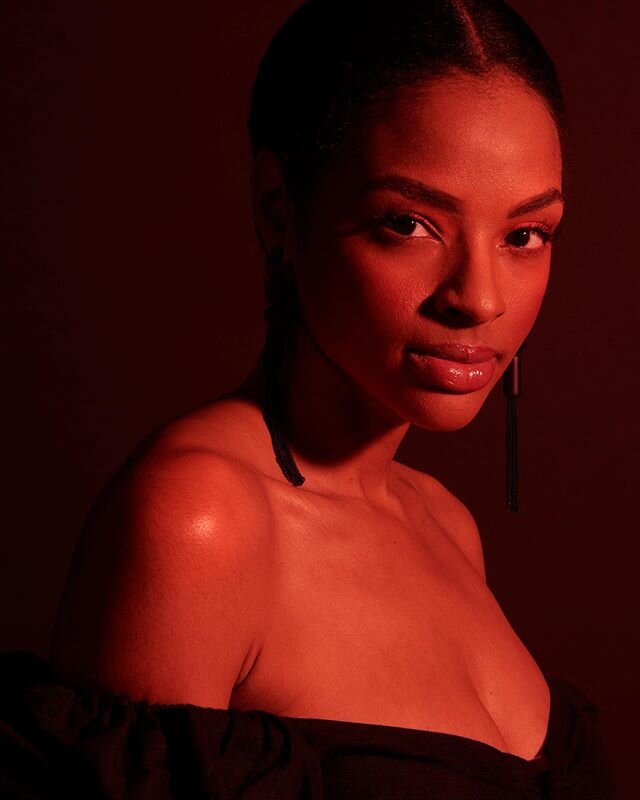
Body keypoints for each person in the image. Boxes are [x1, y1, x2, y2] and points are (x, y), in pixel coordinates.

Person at [0, 0, 616, 797]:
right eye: (409, 223)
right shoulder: (198, 522)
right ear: (277, 210)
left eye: (525, 236)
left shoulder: (447, 525)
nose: (480, 298)